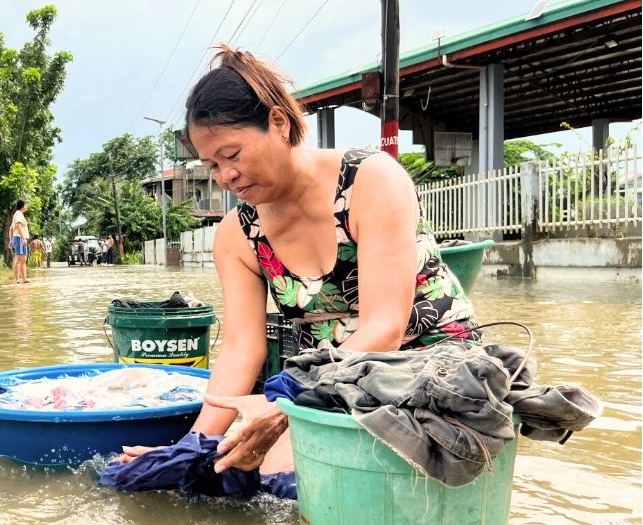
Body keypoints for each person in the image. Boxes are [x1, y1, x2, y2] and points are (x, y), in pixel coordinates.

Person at [120, 45, 480, 477]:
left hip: (425, 364)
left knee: (286, 471)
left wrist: (286, 399)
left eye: (232, 155)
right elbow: (241, 349)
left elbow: (385, 327)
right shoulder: (237, 235)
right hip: (325, 383)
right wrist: (191, 448)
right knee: (226, 469)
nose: (225, 177)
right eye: (212, 165)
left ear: (277, 121)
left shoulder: (371, 181)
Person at [7, 199, 30, 284]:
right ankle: (17, 279)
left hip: (18, 238)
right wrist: (23, 238)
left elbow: (11, 228)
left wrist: (11, 240)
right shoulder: (19, 214)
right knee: (19, 259)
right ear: (23, 205)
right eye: (26, 205)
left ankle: (24, 279)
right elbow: (18, 226)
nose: (27, 206)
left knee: (23, 259)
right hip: (20, 238)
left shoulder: (17, 214)